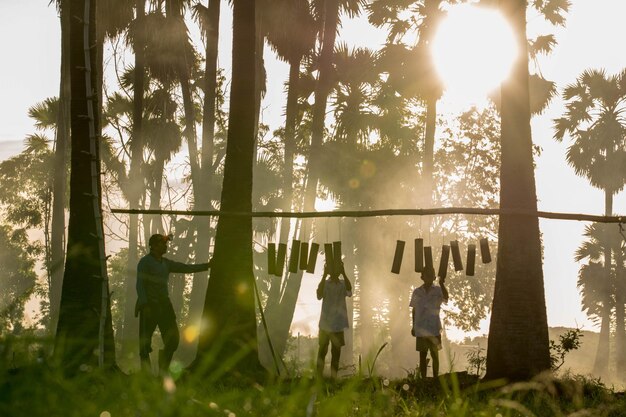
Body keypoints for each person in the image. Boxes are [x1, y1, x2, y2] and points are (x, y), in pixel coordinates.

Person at [135, 233, 211, 374]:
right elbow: (140, 285)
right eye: (163, 244)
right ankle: (146, 375)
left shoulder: (166, 263)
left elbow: (186, 268)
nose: (166, 246)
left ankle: (163, 370)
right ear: (154, 246)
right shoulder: (145, 262)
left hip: (164, 305)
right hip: (149, 306)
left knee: (173, 340)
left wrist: (207, 265)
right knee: (144, 344)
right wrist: (145, 304)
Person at [409, 266, 449, 378]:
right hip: (421, 327)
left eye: (431, 275)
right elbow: (414, 309)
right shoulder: (417, 292)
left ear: (434, 276)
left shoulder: (438, 290)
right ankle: (423, 379)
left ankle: (436, 377)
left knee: (435, 354)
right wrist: (413, 326)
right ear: (422, 277)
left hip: (434, 327)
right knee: (422, 355)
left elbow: (446, 298)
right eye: (426, 275)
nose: (429, 277)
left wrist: (441, 284)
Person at [316, 261, 352, 379]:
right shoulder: (325, 284)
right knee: (322, 351)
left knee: (335, 353)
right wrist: (324, 275)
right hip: (326, 324)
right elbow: (319, 295)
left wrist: (344, 273)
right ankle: (319, 377)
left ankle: (333, 377)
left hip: (337, 324)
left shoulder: (342, 284)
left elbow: (349, 291)